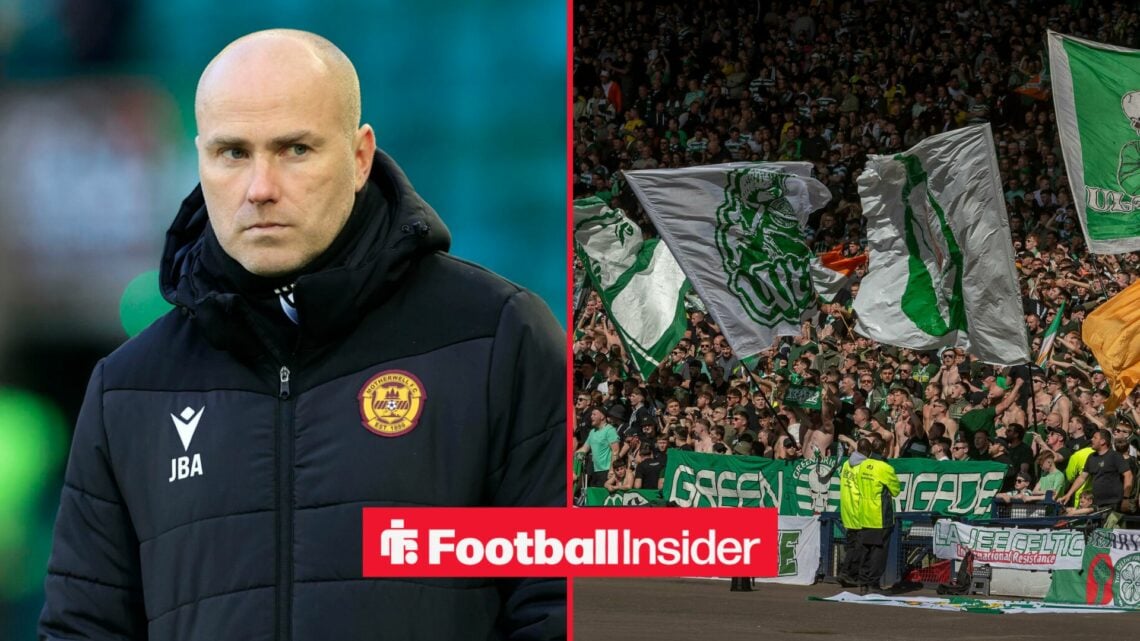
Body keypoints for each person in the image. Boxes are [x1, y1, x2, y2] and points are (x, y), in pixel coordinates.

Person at [39, 30, 565, 641]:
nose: (260, 187)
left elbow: (562, 604)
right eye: (232, 153)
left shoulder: (495, 338)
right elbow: (82, 629)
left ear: (360, 156)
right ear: (199, 159)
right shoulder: (129, 390)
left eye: (294, 149)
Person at [839, 437, 900, 592]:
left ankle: (864, 582)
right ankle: (872, 583)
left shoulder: (862, 465)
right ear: (884, 450)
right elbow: (895, 490)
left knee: (865, 548)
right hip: (879, 513)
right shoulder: (885, 468)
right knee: (878, 551)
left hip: (864, 512)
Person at [1060, 428, 1134, 512]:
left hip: (1113, 504)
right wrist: (1069, 494)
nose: (1091, 439)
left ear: (1103, 441)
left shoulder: (1115, 456)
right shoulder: (1091, 457)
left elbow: (1128, 475)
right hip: (1096, 504)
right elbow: (1082, 478)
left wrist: (1125, 498)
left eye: (1095, 438)